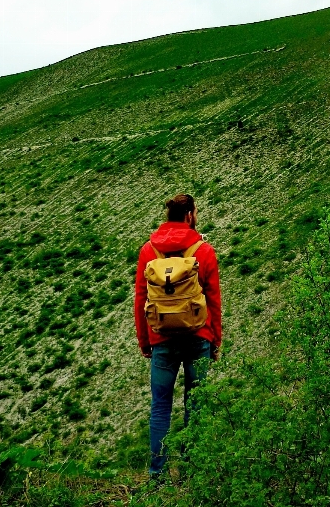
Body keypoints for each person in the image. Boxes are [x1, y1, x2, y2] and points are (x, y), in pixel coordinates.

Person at [134, 193, 222, 479]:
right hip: (198, 336)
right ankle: (191, 473)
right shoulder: (204, 250)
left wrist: (145, 341)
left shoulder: (148, 251)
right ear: (189, 216)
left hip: (161, 339)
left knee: (160, 407)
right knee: (195, 405)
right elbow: (213, 299)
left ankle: (156, 476)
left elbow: (140, 298)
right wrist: (215, 341)